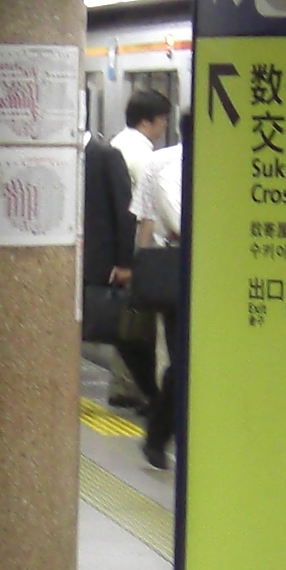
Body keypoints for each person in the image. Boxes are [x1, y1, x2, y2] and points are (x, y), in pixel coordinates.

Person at [81, 115, 154, 421]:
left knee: (122, 333)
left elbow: (126, 214)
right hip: (75, 266)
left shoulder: (105, 156)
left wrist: (125, 263)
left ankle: (152, 394)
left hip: (102, 267)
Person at [106, 88, 172, 411]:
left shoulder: (116, 143)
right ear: (148, 120)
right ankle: (147, 391)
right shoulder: (145, 157)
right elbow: (147, 213)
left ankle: (124, 384)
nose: (163, 128)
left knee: (128, 322)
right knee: (145, 327)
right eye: (162, 121)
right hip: (141, 248)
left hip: (123, 248)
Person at [134, 109, 187, 470]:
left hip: (215, 274)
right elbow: (174, 221)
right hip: (181, 272)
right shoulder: (169, 165)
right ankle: (158, 434)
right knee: (183, 360)